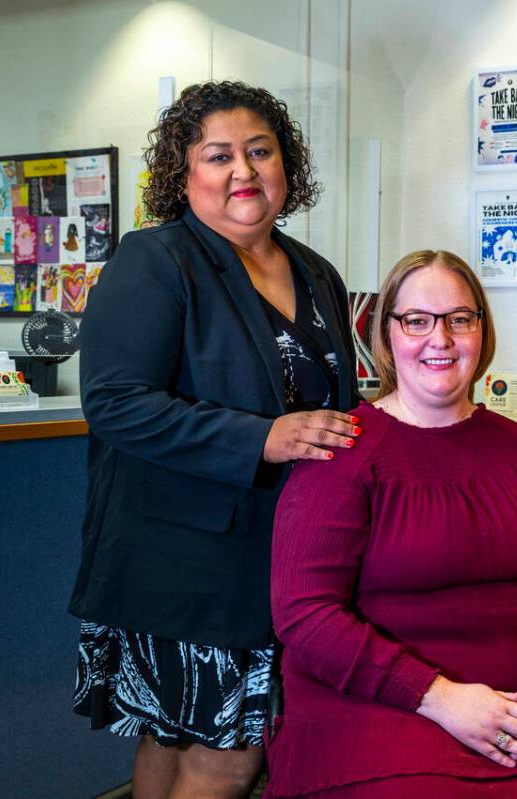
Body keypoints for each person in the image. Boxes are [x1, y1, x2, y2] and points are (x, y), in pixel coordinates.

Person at [69, 80, 361, 799]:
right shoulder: (155, 260)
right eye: (218, 155)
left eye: (260, 151)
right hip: (186, 560)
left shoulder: (316, 273)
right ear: (184, 172)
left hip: (280, 549)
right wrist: (262, 437)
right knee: (230, 752)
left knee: (178, 739)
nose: (243, 171)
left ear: (286, 165)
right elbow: (113, 403)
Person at [266, 250, 517, 798]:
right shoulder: (340, 453)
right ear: (386, 336)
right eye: (417, 321)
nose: (441, 339)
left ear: (482, 332)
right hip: (374, 708)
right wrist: (443, 699)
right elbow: (305, 615)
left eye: (460, 319)